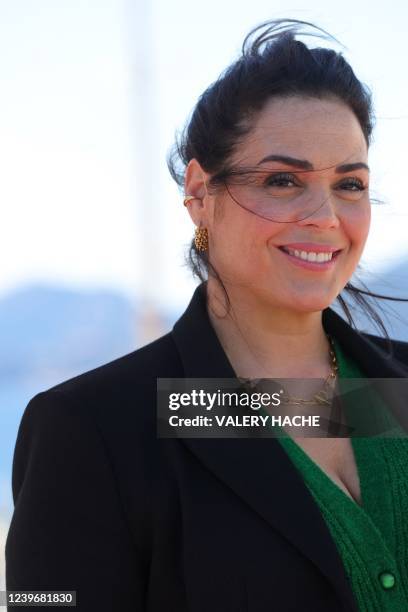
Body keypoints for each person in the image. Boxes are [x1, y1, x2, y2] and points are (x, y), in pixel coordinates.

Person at [5, 18, 408, 612]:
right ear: (198, 192)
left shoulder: (393, 393)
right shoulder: (92, 431)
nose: (325, 215)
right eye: (282, 180)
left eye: (349, 184)